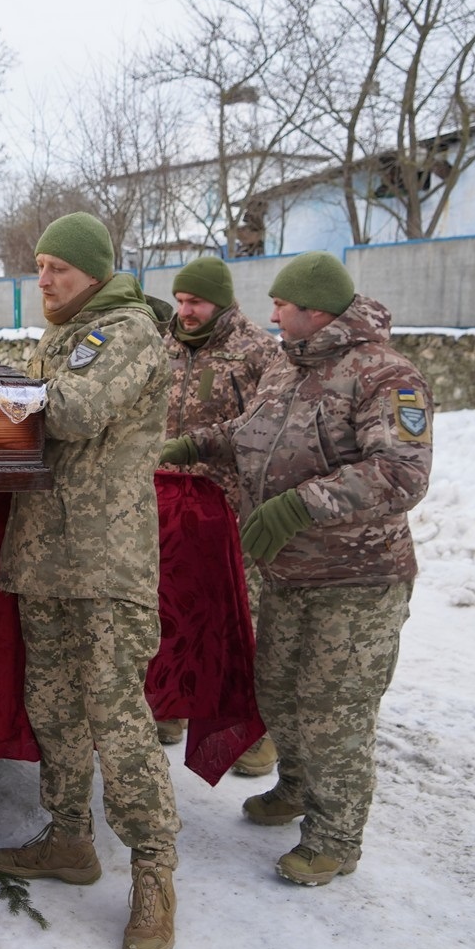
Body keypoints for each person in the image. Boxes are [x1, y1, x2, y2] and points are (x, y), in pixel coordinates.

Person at [160, 251, 432, 886]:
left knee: (334, 708)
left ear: (317, 311)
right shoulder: (289, 365)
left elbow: (403, 473)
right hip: (286, 572)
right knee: (280, 692)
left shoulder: (386, 376)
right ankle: (297, 789)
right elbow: (253, 430)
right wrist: (198, 442)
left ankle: (335, 838)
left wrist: (300, 504)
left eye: (281, 305)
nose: (271, 313)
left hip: (357, 578)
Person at [0, 212, 180, 949]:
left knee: (115, 714)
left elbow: (70, 412)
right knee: (55, 705)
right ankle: (70, 839)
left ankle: (155, 873)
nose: (45, 280)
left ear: (95, 272)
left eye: (58, 268)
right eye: (37, 267)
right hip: (48, 557)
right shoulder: (67, 337)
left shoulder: (123, 329)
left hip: (104, 562)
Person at [154, 256, 280, 777]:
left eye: (195, 302)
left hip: (229, 505)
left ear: (221, 302)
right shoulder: (167, 344)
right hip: (170, 500)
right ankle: (174, 706)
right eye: (180, 301)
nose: (185, 311)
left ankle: (255, 731)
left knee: (236, 618)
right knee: (174, 606)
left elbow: (268, 429)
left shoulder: (256, 351)